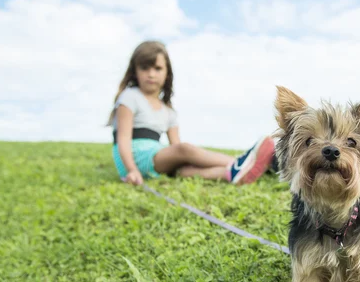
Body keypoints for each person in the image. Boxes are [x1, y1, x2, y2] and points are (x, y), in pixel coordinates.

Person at [106, 41, 276, 186]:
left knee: (185, 169)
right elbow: (123, 139)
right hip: (134, 158)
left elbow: (176, 150)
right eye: (145, 68)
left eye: (157, 68)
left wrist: (180, 157)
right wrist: (132, 170)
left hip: (156, 156)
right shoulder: (130, 97)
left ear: (167, 73)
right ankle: (240, 162)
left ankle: (231, 173)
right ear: (135, 71)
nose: (151, 74)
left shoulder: (168, 111)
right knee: (185, 149)